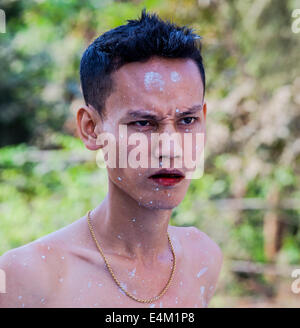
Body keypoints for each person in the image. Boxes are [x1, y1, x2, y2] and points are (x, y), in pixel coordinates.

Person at [0, 9, 222, 308]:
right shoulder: (30, 277)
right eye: (143, 123)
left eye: (187, 120)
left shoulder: (202, 259)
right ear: (91, 129)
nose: (171, 147)